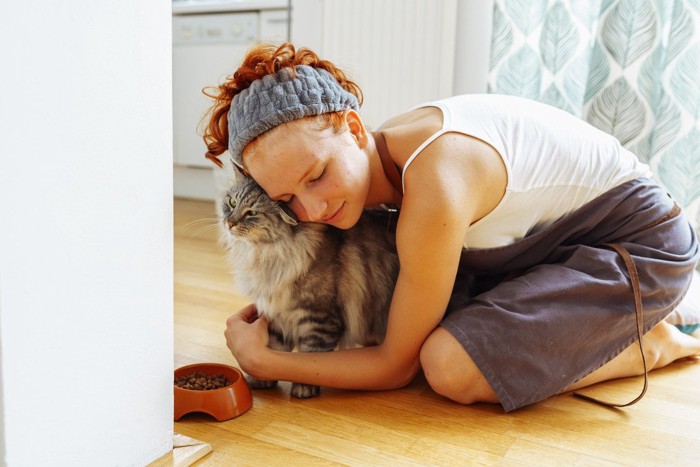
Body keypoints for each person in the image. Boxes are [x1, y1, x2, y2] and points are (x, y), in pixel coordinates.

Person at [203, 42, 700, 412]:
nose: (310, 210)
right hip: (542, 253)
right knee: (433, 323)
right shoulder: (380, 154)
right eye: (287, 198)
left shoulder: (436, 178)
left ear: (353, 128)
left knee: (448, 365)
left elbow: (395, 367)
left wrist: (267, 363)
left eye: (317, 176)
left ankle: (649, 343)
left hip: (637, 246)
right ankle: (618, 322)